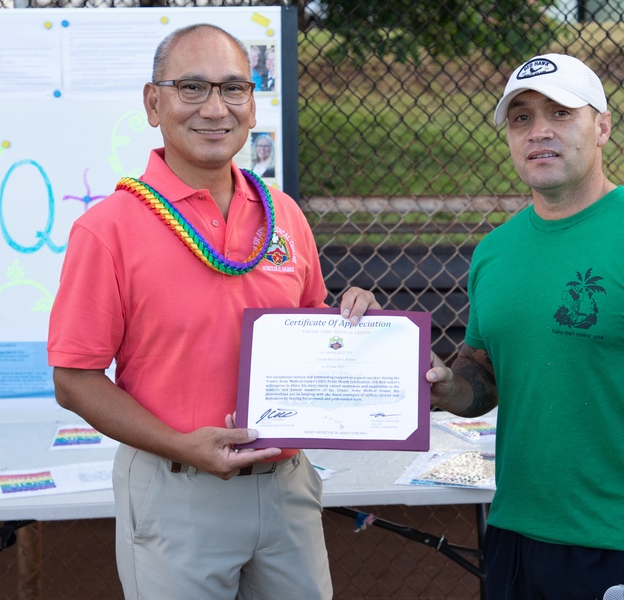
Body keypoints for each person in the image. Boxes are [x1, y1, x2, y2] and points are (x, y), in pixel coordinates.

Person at [47, 24, 378, 600]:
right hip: (178, 493)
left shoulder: (282, 213)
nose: (215, 108)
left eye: (233, 89)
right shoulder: (108, 230)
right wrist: (182, 446)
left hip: (286, 488)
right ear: (155, 103)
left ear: (252, 106)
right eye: (192, 88)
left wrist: (353, 324)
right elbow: (74, 380)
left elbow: (309, 327)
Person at [425, 53, 624, 599]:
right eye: (522, 117)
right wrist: (444, 385)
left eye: (560, 113)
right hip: (514, 534)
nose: (539, 131)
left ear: (601, 126)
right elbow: (483, 380)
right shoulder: (494, 253)